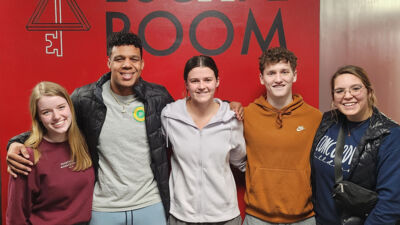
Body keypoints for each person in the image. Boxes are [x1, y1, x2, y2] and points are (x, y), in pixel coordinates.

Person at [7, 32, 173, 225]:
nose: (127, 65)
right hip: (103, 208)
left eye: (133, 59)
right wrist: (15, 143)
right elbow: (57, 123)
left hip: (150, 203)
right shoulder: (85, 99)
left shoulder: (158, 97)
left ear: (142, 63)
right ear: (109, 62)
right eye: (119, 59)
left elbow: (186, 123)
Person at [161, 55, 246, 225]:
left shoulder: (231, 119)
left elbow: (241, 161)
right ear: (186, 84)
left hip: (225, 217)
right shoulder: (169, 116)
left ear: (217, 81)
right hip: (182, 216)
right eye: (195, 81)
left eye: (208, 80)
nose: (201, 86)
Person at [311, 65, 400, 225]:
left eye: (355, 88)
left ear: (369, 92)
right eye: (339, 91)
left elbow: (391, 203)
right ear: (333, 97)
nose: (348, 96)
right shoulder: (328, 121)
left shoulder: (390, 135)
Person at [242, 47, 322, 225]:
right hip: (257, 217)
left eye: (284, 72)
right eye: (271, 73)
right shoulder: (246, 115)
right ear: (262, 78)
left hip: (304, 217)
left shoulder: (315, 118)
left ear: (294, 75)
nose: (278, 79)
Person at [6, 81, 94, 225]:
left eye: (61, 107)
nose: (57, 116)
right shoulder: (27, 157)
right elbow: (16, 217)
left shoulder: (85, 142)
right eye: (46, 112)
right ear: (38, 118)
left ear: (70, 107)